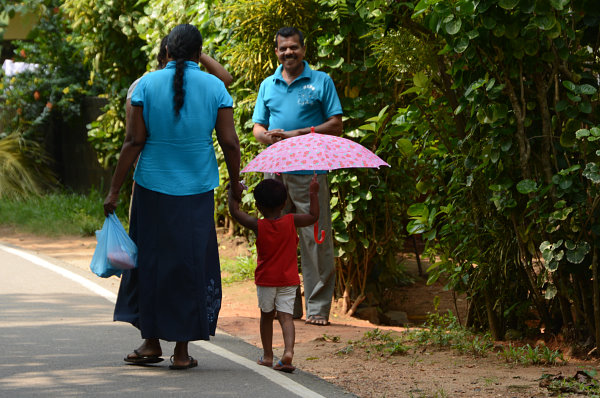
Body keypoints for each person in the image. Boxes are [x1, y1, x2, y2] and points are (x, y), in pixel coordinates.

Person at [103, 23, 242, 370]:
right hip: (196, 192)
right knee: (191, 265)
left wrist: (115, 189)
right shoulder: (215, 87)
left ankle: (150, 343)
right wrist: (235, 183)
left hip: (151, 189)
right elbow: (229, 142)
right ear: (198, 54)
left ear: (166, 51)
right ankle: (181, 352)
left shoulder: (146, 84)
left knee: (150, 264)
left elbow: (133, 142)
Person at [252, 27, 343, 326]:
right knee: (278, 239)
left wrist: (297, 134)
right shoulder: (268, 84)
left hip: (311, 172)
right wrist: (269, 138)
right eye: (283, 49)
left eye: (293, 48)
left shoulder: (321, 81)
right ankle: (289, 307)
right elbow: (257, 128)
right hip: (275, 172)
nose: (288, 53)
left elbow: (335, 124)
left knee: (315, 238)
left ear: (304, 50)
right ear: (276, 51)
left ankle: (317, 308)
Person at [227, 176, 319, 372]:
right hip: (288, 280)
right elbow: (313, 216)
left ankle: (268, 355)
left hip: (266, 281)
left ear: (258, 206)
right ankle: (288, 352)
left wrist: (234, 191)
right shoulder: (291, 221)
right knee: (286, 317)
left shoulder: (258, 225)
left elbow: (234, 212)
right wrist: (313, 193)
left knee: (267, 316)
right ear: (284, 203)